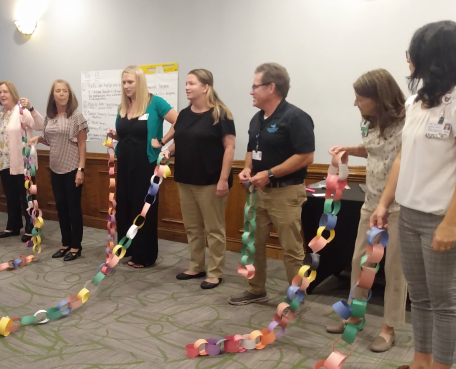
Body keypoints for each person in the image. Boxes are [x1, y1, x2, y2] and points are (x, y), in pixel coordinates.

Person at [374, 21, 456, 369]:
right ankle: (420, 364)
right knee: (418, 298)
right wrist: (385, 203)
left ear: (435, 57)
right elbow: (404, 157)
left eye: (415, 51)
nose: (409, 59)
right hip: (412, 213)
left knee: (445, 301)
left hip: (447, 218)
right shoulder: (417, 103)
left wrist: (450, 222)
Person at [326, 69, 408, 352]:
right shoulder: (369, 121)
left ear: (379, 97)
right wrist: (351, 149)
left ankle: (389, 328)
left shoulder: (407, 122)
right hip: (371, 203)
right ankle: (355, 317)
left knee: (395, 270)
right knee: (360, 264)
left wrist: (386, 204)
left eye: (360, 97)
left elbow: (400, 160)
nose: (355, 103)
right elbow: (375, 150)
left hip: (399, 206)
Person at [230, 63, 315, 306]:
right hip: (258, 192)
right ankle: (256, 290)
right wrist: (248, 168)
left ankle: (296, 297)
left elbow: (306, 156)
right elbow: (251, 150)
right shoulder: (257, 119)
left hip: (286, 192)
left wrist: (270, 173)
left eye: (255, 86)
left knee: (291, 249)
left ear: (271, 88)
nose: (251, 91)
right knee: (253, 244)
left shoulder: (296, 117)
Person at [163, 69, 236, 289]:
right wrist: (169, 151)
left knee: (214, 229)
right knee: (193, 227)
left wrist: (224, 179)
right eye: (186, 83)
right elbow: (181, 140)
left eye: (191, 83)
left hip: (211, 180)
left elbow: (229, 147)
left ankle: (215, 271)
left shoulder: (221, 113)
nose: (187, 87)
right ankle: (196, 265)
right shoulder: (184, 114)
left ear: (205, 87)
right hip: (186, 179)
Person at [105, 66, 178, 268]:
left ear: (140, 82)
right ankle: (128, 249)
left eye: (130, 82)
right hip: (125, 164)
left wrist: (162, 141)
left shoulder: (155, 103)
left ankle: (145, 255)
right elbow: (128, 135)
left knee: (142, 208)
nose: (127, 86)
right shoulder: (124, 106)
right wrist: (115, 136)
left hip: (145, 165)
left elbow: (180, 121)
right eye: (124, 82)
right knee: (125, 207)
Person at [22, 80, 88, 261]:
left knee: (73, 209)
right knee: (61, 208)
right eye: (58, 91)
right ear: (53, 95)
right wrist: (38, 138)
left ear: (69, 94)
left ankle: (76, 246)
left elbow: (82, 145)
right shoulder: (50, 117)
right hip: (55, 168)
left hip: (73, 167)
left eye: (64, 91)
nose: (61, 94)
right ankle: (65, 243)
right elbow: (52, 140)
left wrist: (81, 169)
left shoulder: (76, 116)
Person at [0, 81, 40, 242]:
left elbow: (39, 125)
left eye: (5, 92)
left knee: (26, 197)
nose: (2, 95)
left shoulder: (22, 111)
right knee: (10, 196)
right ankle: (13, 226)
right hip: (3, 161)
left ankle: (32, 227)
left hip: (22, 161)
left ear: (13, 93)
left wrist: (31, 108)